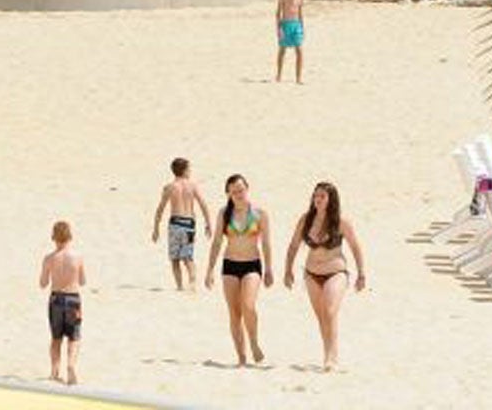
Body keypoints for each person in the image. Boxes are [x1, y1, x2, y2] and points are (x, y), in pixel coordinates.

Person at [281, 181, 366, 371]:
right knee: (321, 317)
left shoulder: (341, 222)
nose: (317, 199)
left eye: (322, 196)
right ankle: (327, 353)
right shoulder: (306, 220)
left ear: (330, 199)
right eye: (315, 196)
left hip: (336, 272)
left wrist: (361, 274)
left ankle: (332, 357)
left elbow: (355, 246)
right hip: (311, 274)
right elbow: (294, 245)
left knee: (329, 311)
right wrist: (288, 270)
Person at [202, 174, 272, 366]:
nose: (238, 194)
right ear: (228, 194)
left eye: (241, 190)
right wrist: (209, 270)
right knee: (234, 313)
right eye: (234, 191)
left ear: (247, 189)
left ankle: (254, 342)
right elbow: (216, 242)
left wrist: (269, 269)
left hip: (252, 264)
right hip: (230, 265)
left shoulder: (259, 213)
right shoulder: (224, 213)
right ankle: (241, 357)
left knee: (248, 306)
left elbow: (266, 243)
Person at [151, 158, 211, 290]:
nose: (190, 172)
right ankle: (192, 281)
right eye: (189, 169)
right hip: (189, 224)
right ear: (184, 171)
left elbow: (160, 209)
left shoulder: (169, 187)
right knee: (188, 257)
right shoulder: (192, 186)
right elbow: (203, 205)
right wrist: (208, 223)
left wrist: (156, 228)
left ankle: (179, 286)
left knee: (175, 259)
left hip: (175, 224)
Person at [39, 219, 85, 385]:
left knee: (56, 338)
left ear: (53, 237)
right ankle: (71, 366)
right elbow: (82, 281)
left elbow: (43, 284)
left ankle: (54, 371)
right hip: (73, 299)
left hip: (55, 300)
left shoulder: (49, 258)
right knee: (74, 337)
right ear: (70, 237)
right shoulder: (78, 257)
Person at [276, 0, 306, 85]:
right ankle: (279, 75)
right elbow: (278, 14)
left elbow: (300, 13)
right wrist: (279, 29)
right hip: (285, 24)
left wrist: (302, 28)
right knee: (282, 51)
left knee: (299, 51)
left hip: (296, 24)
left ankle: (298, 78)